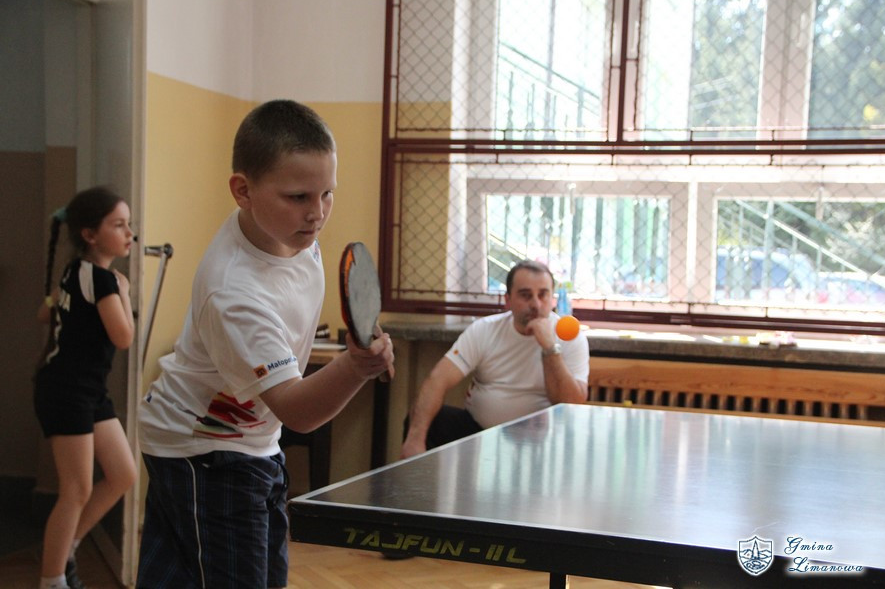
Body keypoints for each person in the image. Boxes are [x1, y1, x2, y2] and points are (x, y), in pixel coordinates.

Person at [136, 100, 394, 589]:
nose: (317, 213)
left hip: (253, 441)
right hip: (205, 451)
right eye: (298, 196)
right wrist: (357, 366)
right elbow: (298, 411)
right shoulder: (234, 291)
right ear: (243, 191)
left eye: (327, 193)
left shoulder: (291, 232)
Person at [34, 187, 138, 589]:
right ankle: (52, 580)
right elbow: (123, 337)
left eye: (129, 224)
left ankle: (67, 548)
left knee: (122, 474)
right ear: (90, 234)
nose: (129, 233)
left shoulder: (73, 269)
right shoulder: (103, 280)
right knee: (75, 490)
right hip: (67, 391)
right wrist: (123, 292)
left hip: (86, 390)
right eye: (119, 225)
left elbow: (44, 314)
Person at [400, 260, 589, 459]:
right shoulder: (485, 329)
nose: (535, 304)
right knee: (426, 422)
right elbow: (438, 379)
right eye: (526, 295)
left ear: (552, 299)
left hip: (543, 443)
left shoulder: (569, 336)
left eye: (543, 295)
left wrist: (550, 348)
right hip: (480, 434)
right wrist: (415, 440)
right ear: (508, 300)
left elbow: (571, 403)